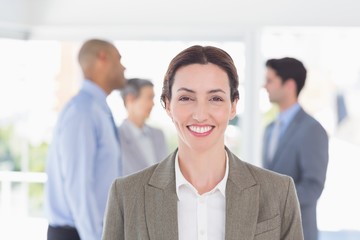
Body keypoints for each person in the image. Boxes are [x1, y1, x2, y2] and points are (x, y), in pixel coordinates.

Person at [102, 45, 304, 240]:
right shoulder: (126, 196)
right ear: (168, 105)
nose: (200, 114)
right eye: (186, 98)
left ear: (233, 106)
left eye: (215, 98)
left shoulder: (279, 192)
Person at [45, 39, 126, 240]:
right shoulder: (83, 111)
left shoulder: (98, 109)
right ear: (102, 58)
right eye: (119, 59)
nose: (124, 67)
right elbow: (79, 186)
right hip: (79, 234)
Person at [262, 57, 329, 240]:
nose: (264, 86)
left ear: (289, 85)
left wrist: (273, 202)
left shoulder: (312, 130)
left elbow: (313, 186)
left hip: (298, 231)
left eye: (270, 81)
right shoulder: (269, 129)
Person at [119, 78, 168, 176]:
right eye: (149, 98)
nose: (153, 104)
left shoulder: (159, 134)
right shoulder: (116, 137)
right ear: (130, 99)